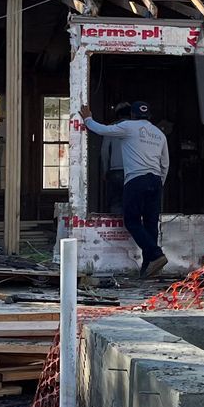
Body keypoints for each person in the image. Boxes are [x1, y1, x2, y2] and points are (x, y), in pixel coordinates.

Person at [80, 101, 170, 277]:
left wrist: (88, 119)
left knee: (132, 221)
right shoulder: (159, 134)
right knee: (151, 223)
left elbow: (103, 130)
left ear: (133, 115)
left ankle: (156, 254)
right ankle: (149, 265)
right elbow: (165, 164)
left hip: (136, 180)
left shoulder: (128, 126)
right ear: (148, 116)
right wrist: (160, 183)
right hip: (156, 180)